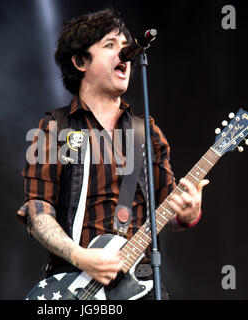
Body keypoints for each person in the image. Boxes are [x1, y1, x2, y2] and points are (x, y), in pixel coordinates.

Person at [17, 8, 209, 300]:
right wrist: (81, 257)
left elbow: (170, 208)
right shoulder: (56, 128)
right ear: (80, 61)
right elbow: (37, 210)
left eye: (126, 46)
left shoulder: (146, 133)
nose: (124, 54)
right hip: (73, 287)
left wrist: (188, 213)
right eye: (110, 45)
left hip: (138, 285)